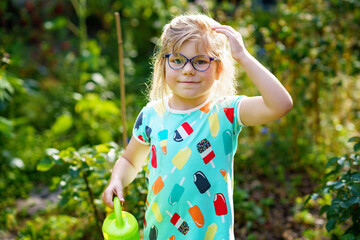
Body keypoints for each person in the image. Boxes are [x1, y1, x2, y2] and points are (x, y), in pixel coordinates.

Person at [102, 13, 293, 239]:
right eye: (177, 60)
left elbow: (280, 105)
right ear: (163, 64)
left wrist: (242, 56)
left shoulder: (225, 112)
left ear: (219, 69)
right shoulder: (151, 115)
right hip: (160, 233)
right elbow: (130, 160)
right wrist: (117, 179)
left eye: (201, 61)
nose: (188, 69)